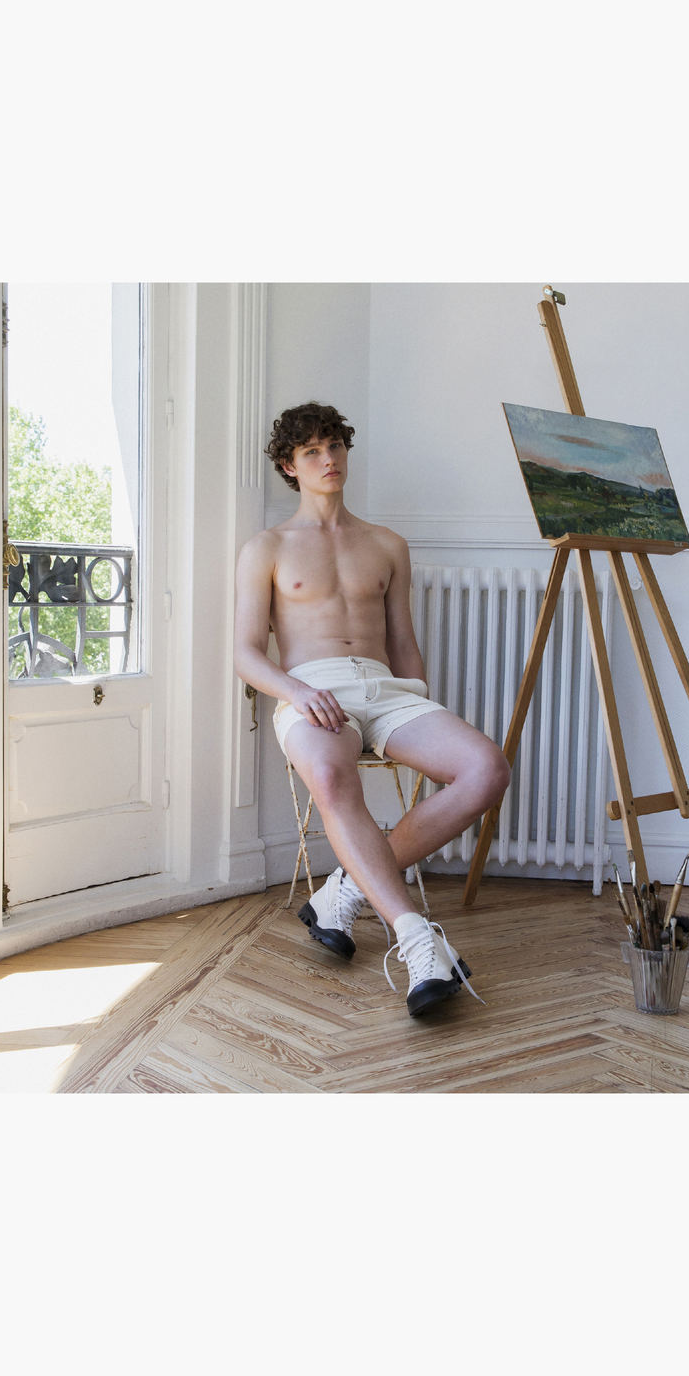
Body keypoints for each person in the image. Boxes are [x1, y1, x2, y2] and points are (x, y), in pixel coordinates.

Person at [233, 401, 511, 1017]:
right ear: (290, 466)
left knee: (487, 768)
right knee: (332, 777)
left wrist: (422, 705)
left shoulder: (387, 544)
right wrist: (296, 693)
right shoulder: (267, 547)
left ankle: (343, 887)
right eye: (311, 452)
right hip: (313, 690)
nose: (328, 459)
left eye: (335, 446)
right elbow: (246, 653)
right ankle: (417, 940)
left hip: (388, 691)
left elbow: (404, 641)